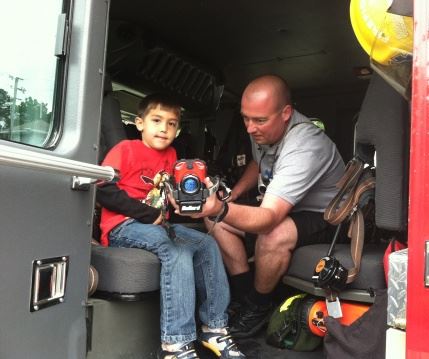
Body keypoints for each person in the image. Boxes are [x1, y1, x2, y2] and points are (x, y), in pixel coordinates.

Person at [175, 75, 345, 339]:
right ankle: (246, 296)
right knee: (215, 221)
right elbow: (258, 163)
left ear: (286, 113)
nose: (250, 129)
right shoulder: (264, 131)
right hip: (287, 207)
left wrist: (220, 207)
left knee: (271, 235)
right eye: (246, 118)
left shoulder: (305, 145)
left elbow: (268, 218)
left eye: (259, 120)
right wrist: (233, 196)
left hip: (327, 216)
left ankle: (259, 305)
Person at [96, 93, 245, 359]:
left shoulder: (173, 156)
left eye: (172, 123)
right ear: (140, 123)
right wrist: (146, 213)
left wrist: (192, 201)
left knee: (207, 243)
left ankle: (215, 327)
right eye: (157, 120)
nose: (164, 128)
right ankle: (176, 345)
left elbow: (172, 193)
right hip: (124, 227)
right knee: (175, 250)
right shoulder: (125, 149)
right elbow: (103, 190)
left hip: (159, 226)